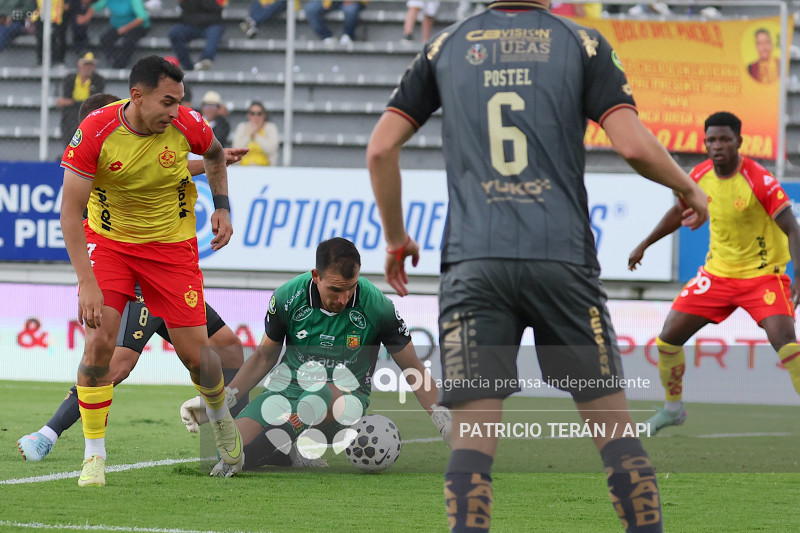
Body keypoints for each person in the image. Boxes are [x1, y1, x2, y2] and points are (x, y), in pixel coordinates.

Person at [366, 1, 710, 531]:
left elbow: (380, 149)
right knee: (615, 433)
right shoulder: (582, 43)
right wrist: (686, 185)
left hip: (475, 263)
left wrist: (395, 238)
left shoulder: (444, 46)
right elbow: (632, 145)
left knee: (474, 440)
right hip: (562, 259)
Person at [59, 55, 242, 487]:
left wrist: (222, 208)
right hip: (111, 247)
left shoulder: (188, 124)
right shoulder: (96, 131)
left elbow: (214, 153)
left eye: (180, 101)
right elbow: (70, 212)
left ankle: (220, 419)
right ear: (136, 96)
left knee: (199, 357)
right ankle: (94, 457)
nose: (175, 111)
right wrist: (86, 281)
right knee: (98, 346)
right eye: (167, 102)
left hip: (171, 249)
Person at [180, 238, 452, 476]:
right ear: (315, 276)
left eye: (351, 287)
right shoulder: (288, 297)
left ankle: (250, 457)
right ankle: (287, 452)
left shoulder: (377, 306)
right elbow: (263, 357)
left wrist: (444, 420)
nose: (344, 298)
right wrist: (224, 398)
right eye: (335, 289)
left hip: (343, 405)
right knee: (228, 446)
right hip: (286, 392)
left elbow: (413, 368)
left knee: (316, 397)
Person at [628, 112, 800, 435]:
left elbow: (793, 228)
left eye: (724, 139)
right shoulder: (700, 175)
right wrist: (645, 243)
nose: (717, 146)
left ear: (739, 142)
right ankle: (673, 410)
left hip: (762, 276)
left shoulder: (759, 180)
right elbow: (678, 211)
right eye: (711, 140)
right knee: (667, 340)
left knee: (786, 343)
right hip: (717, 276)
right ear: (705, 142)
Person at [76, 0, 150, 68]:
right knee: (105, 39)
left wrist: (126, 28)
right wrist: (86, 17)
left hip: (137, 26)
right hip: (118, 26)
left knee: (128, 41)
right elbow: (94, 7)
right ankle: (113, 61)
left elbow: (141, 18)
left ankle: (122, 64)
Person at [57, 52, 106, 149]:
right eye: (86, 64)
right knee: (70, 121)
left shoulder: (99, 80)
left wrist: (72, 102)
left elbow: (94, 102)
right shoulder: (70, 79)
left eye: (91, 64)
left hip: (89, 113)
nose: (88, 67)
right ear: (79, 64)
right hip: (72, 114)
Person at [168, 0, 225, 72]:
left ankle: (205, 60)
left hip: (211, 25)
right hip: (191, 25)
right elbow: (184, 13)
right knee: (174, 33)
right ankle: (188, 66)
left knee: (215, 31)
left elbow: (217, 14)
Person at [231, 101, 279, 166]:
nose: (256, 117)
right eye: (252, 113)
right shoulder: (242, 127)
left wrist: (256, 135)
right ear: (248, 115)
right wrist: (249, 136)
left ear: (264, 115)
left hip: (265, 169)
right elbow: (236, 149)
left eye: (259, 113)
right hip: (243, 168)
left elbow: (271, 149)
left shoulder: (270, 128)